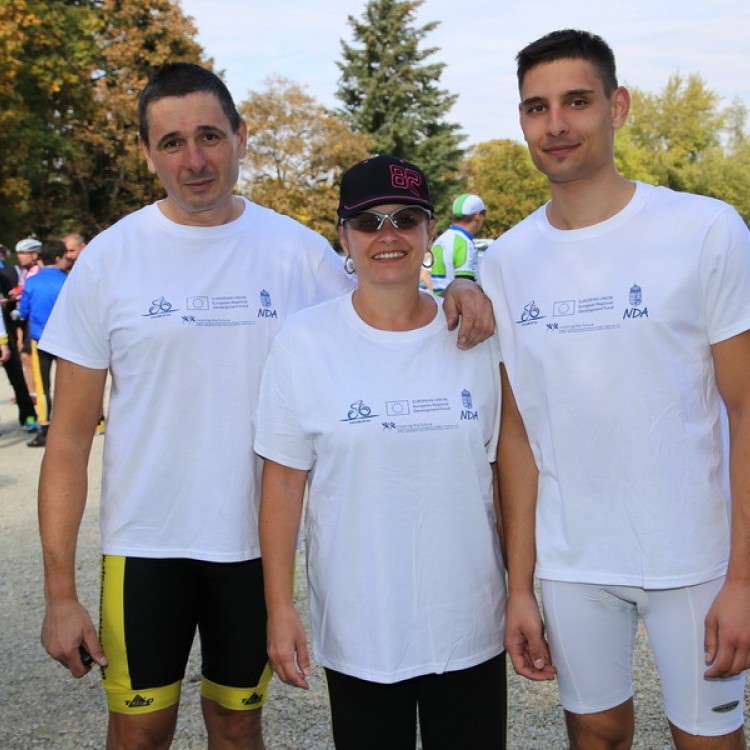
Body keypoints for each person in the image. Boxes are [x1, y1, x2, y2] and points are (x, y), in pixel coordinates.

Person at [37, 63, 494, 750]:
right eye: (171, 143)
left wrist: (461, 279)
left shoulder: (299, 255)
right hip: (146, 545)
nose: (194, 160)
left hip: (250, 551)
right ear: (146, 152)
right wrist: (58, 593)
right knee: (138, 733)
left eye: (210, 137)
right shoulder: (110, 259)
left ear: (242, 137)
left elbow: (390, 292)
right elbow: (68, 439)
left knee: (237, 725)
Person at [481, 29, 750, 750]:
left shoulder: (705, 230)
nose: (557, 124)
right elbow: (517, 433)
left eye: (577, 101)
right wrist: (519, 586)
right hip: (573, 562)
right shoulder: (504, 262)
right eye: (537, 108)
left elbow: (745, 407)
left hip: (694, 557)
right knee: (595, 739)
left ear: (618, 106)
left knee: (710, 744)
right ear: (522, 121)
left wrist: (745, 579)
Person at [255, 155, 507, 750]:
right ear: (343, 236)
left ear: (427, 233)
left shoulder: (477, 337)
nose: (387, 235)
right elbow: (283, 483)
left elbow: (505, 473)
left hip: (468, 621)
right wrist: (279, 607)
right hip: (361, 626)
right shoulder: (304, 341)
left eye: (405, 219)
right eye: (368, 222)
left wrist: (521, 590)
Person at [19, 239, 69, 447]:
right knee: (68, 383)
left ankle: (45, 427)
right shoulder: (68, 280)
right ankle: (69, 425)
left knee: (42, 385)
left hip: (40, 339)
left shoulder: (32, 283)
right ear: (58, 258)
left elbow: (23, 312)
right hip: (67, 338)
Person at [0, 243, 37, 430]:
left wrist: (4, 340)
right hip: (7, 330)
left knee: (15, 374)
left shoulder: (7, 271)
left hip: (6, 331)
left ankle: (28, 415)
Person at [426, 193, 485, 296]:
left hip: (438, 301)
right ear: (478, 216)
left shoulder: (441, 239)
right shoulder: (465, 243)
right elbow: (466, 287)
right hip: (455, 305)